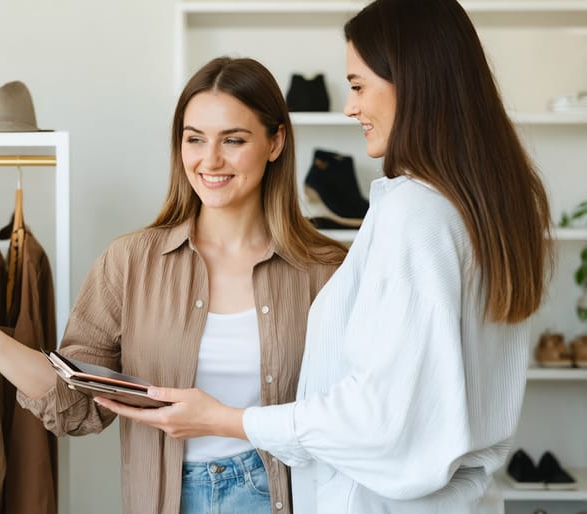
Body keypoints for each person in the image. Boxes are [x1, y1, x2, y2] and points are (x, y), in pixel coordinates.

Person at [96, 1, 554, 513]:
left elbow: (378, 415)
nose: (350, 107)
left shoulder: (414, 215)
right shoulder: (492, 208)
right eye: (195, 139)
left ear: (415, 80)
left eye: (358, 86)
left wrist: (227, 419)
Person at [0, 56, 346, 514]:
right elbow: (73, 402)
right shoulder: (131, 262)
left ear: (275, 141)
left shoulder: (327, 271)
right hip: (167, 498)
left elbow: (349, 416)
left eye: (234, 139)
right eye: (195, 139)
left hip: (285, 495)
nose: (210, 159)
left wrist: (230, 423)